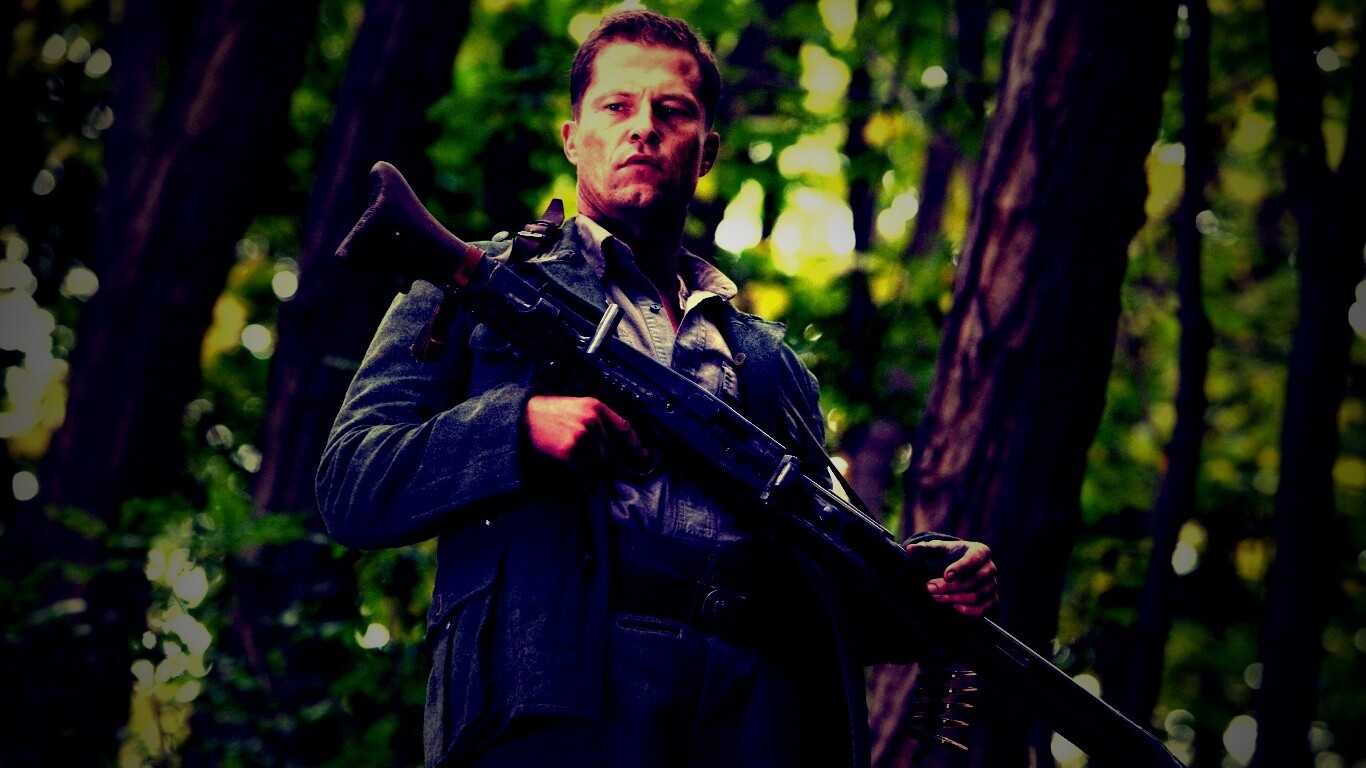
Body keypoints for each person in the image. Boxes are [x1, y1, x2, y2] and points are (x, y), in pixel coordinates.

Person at [317, 9, 998, 768]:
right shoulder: (471, 283)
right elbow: (352, 480)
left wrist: (920, 586)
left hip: (757, 716)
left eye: (672, 111)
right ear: (573, 138)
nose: (643, 127)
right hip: (555, 693)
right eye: (616, 106)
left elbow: (823, 570)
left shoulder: (764, 359)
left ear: (706, 152)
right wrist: (518, 429)